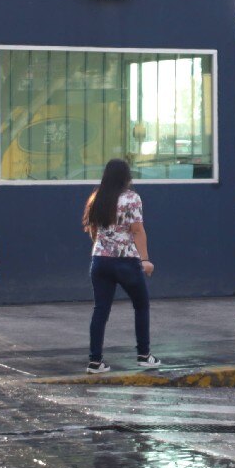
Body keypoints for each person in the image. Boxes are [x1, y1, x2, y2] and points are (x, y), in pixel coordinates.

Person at [82, 158, 160, 374]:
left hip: (100, 260)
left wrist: (104, 248)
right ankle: (144, 355)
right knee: (141, 304)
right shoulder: (131, 198)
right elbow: (137, 230)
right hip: (125, 260)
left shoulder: (97, 198)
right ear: (126, 177)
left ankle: (95, 361)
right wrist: (145, 259)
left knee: (100, 310)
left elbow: (94, 231)